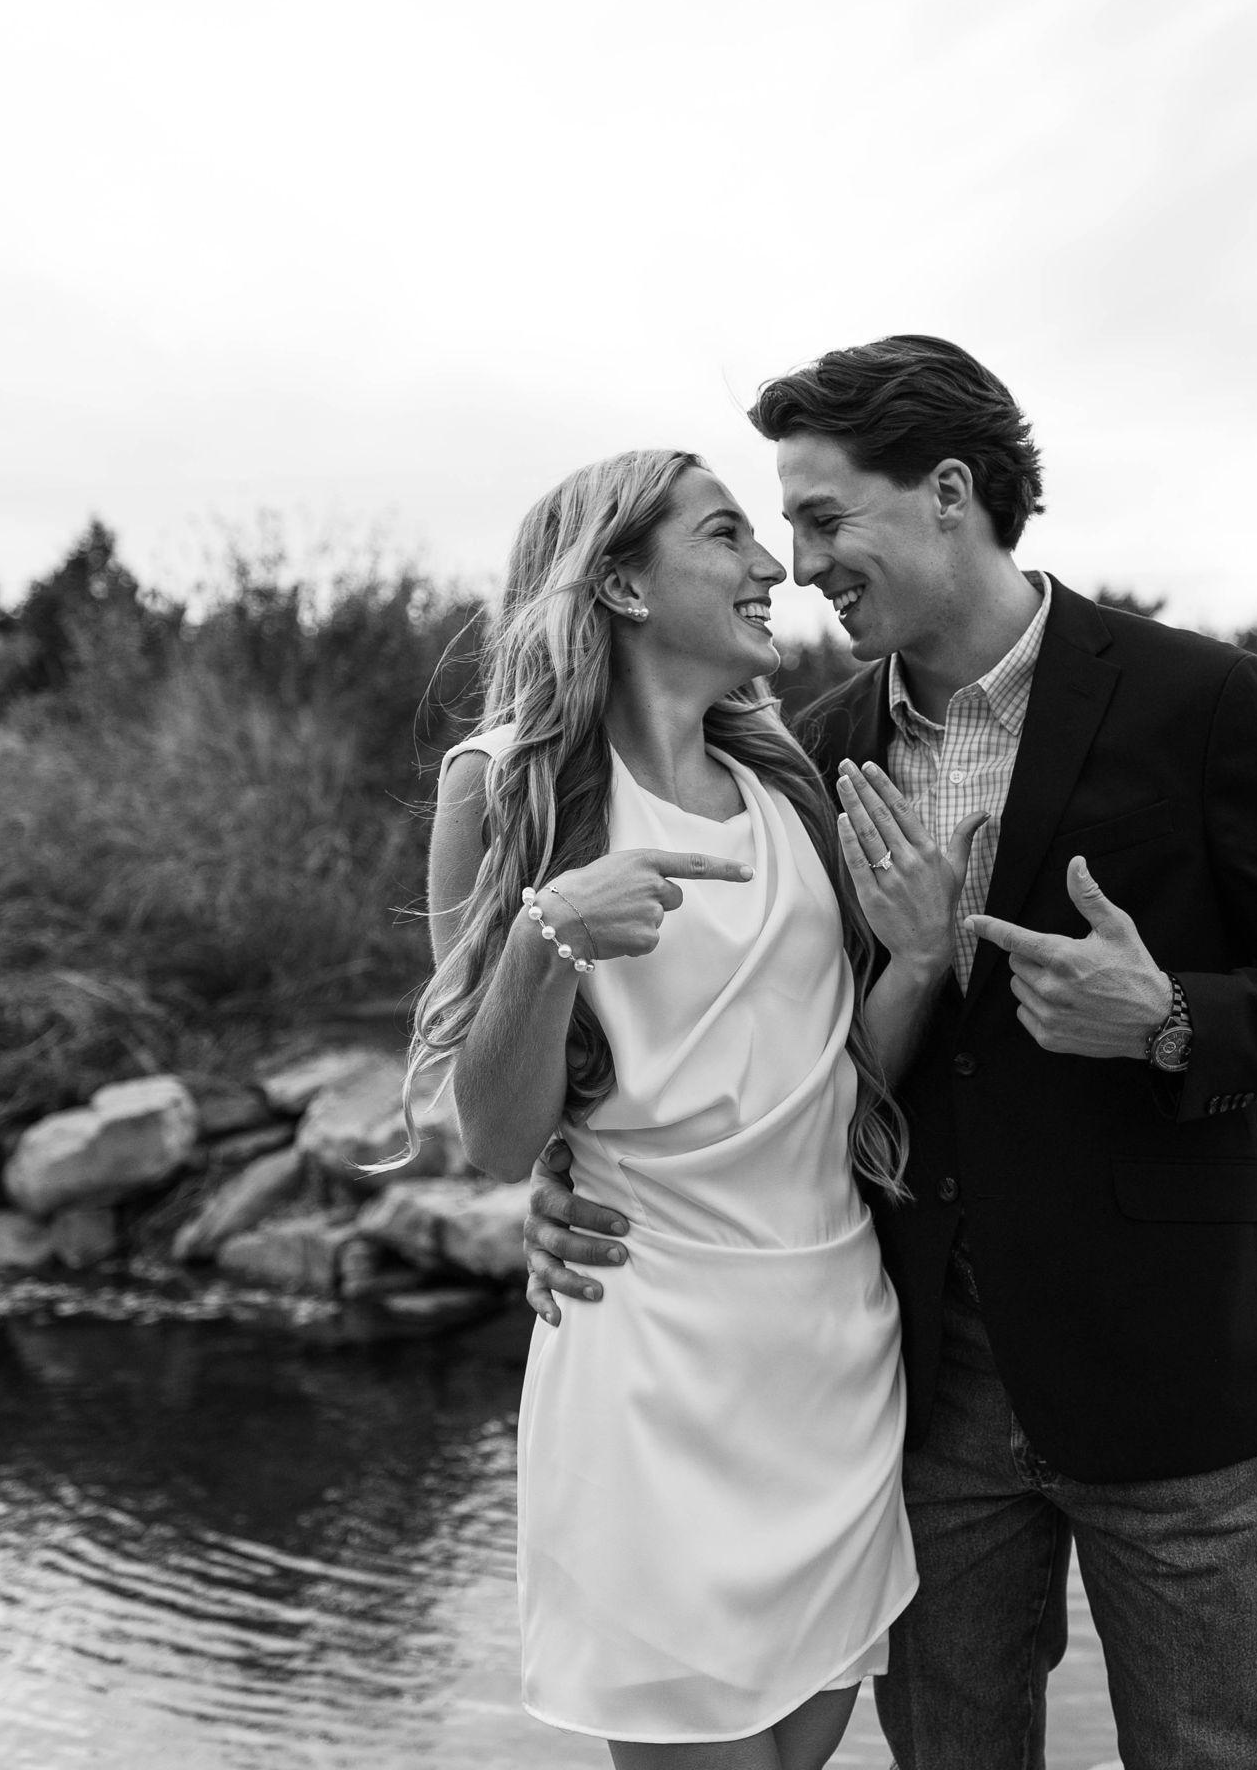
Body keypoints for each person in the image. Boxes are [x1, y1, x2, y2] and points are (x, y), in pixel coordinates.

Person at [526, 338, 1257, 1770]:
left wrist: (1172, 1016)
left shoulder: (1204, 700)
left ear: (948, 492)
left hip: (1170, 1370)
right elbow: (769, 1041)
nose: (801, 564)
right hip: (910, 1389)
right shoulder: (805, 754)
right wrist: (573, 1160)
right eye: (782, 526)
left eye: (826, 517)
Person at [420, 448, 989, 1770]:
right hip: (652, 1359)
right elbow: (496, 1139)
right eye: (728, 535)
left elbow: (828, 1087)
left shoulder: (789, 779)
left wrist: (915, 963)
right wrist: (548, 937)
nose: (773, 565)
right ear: (621, 582)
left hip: (833, 1348)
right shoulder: (503, 784)